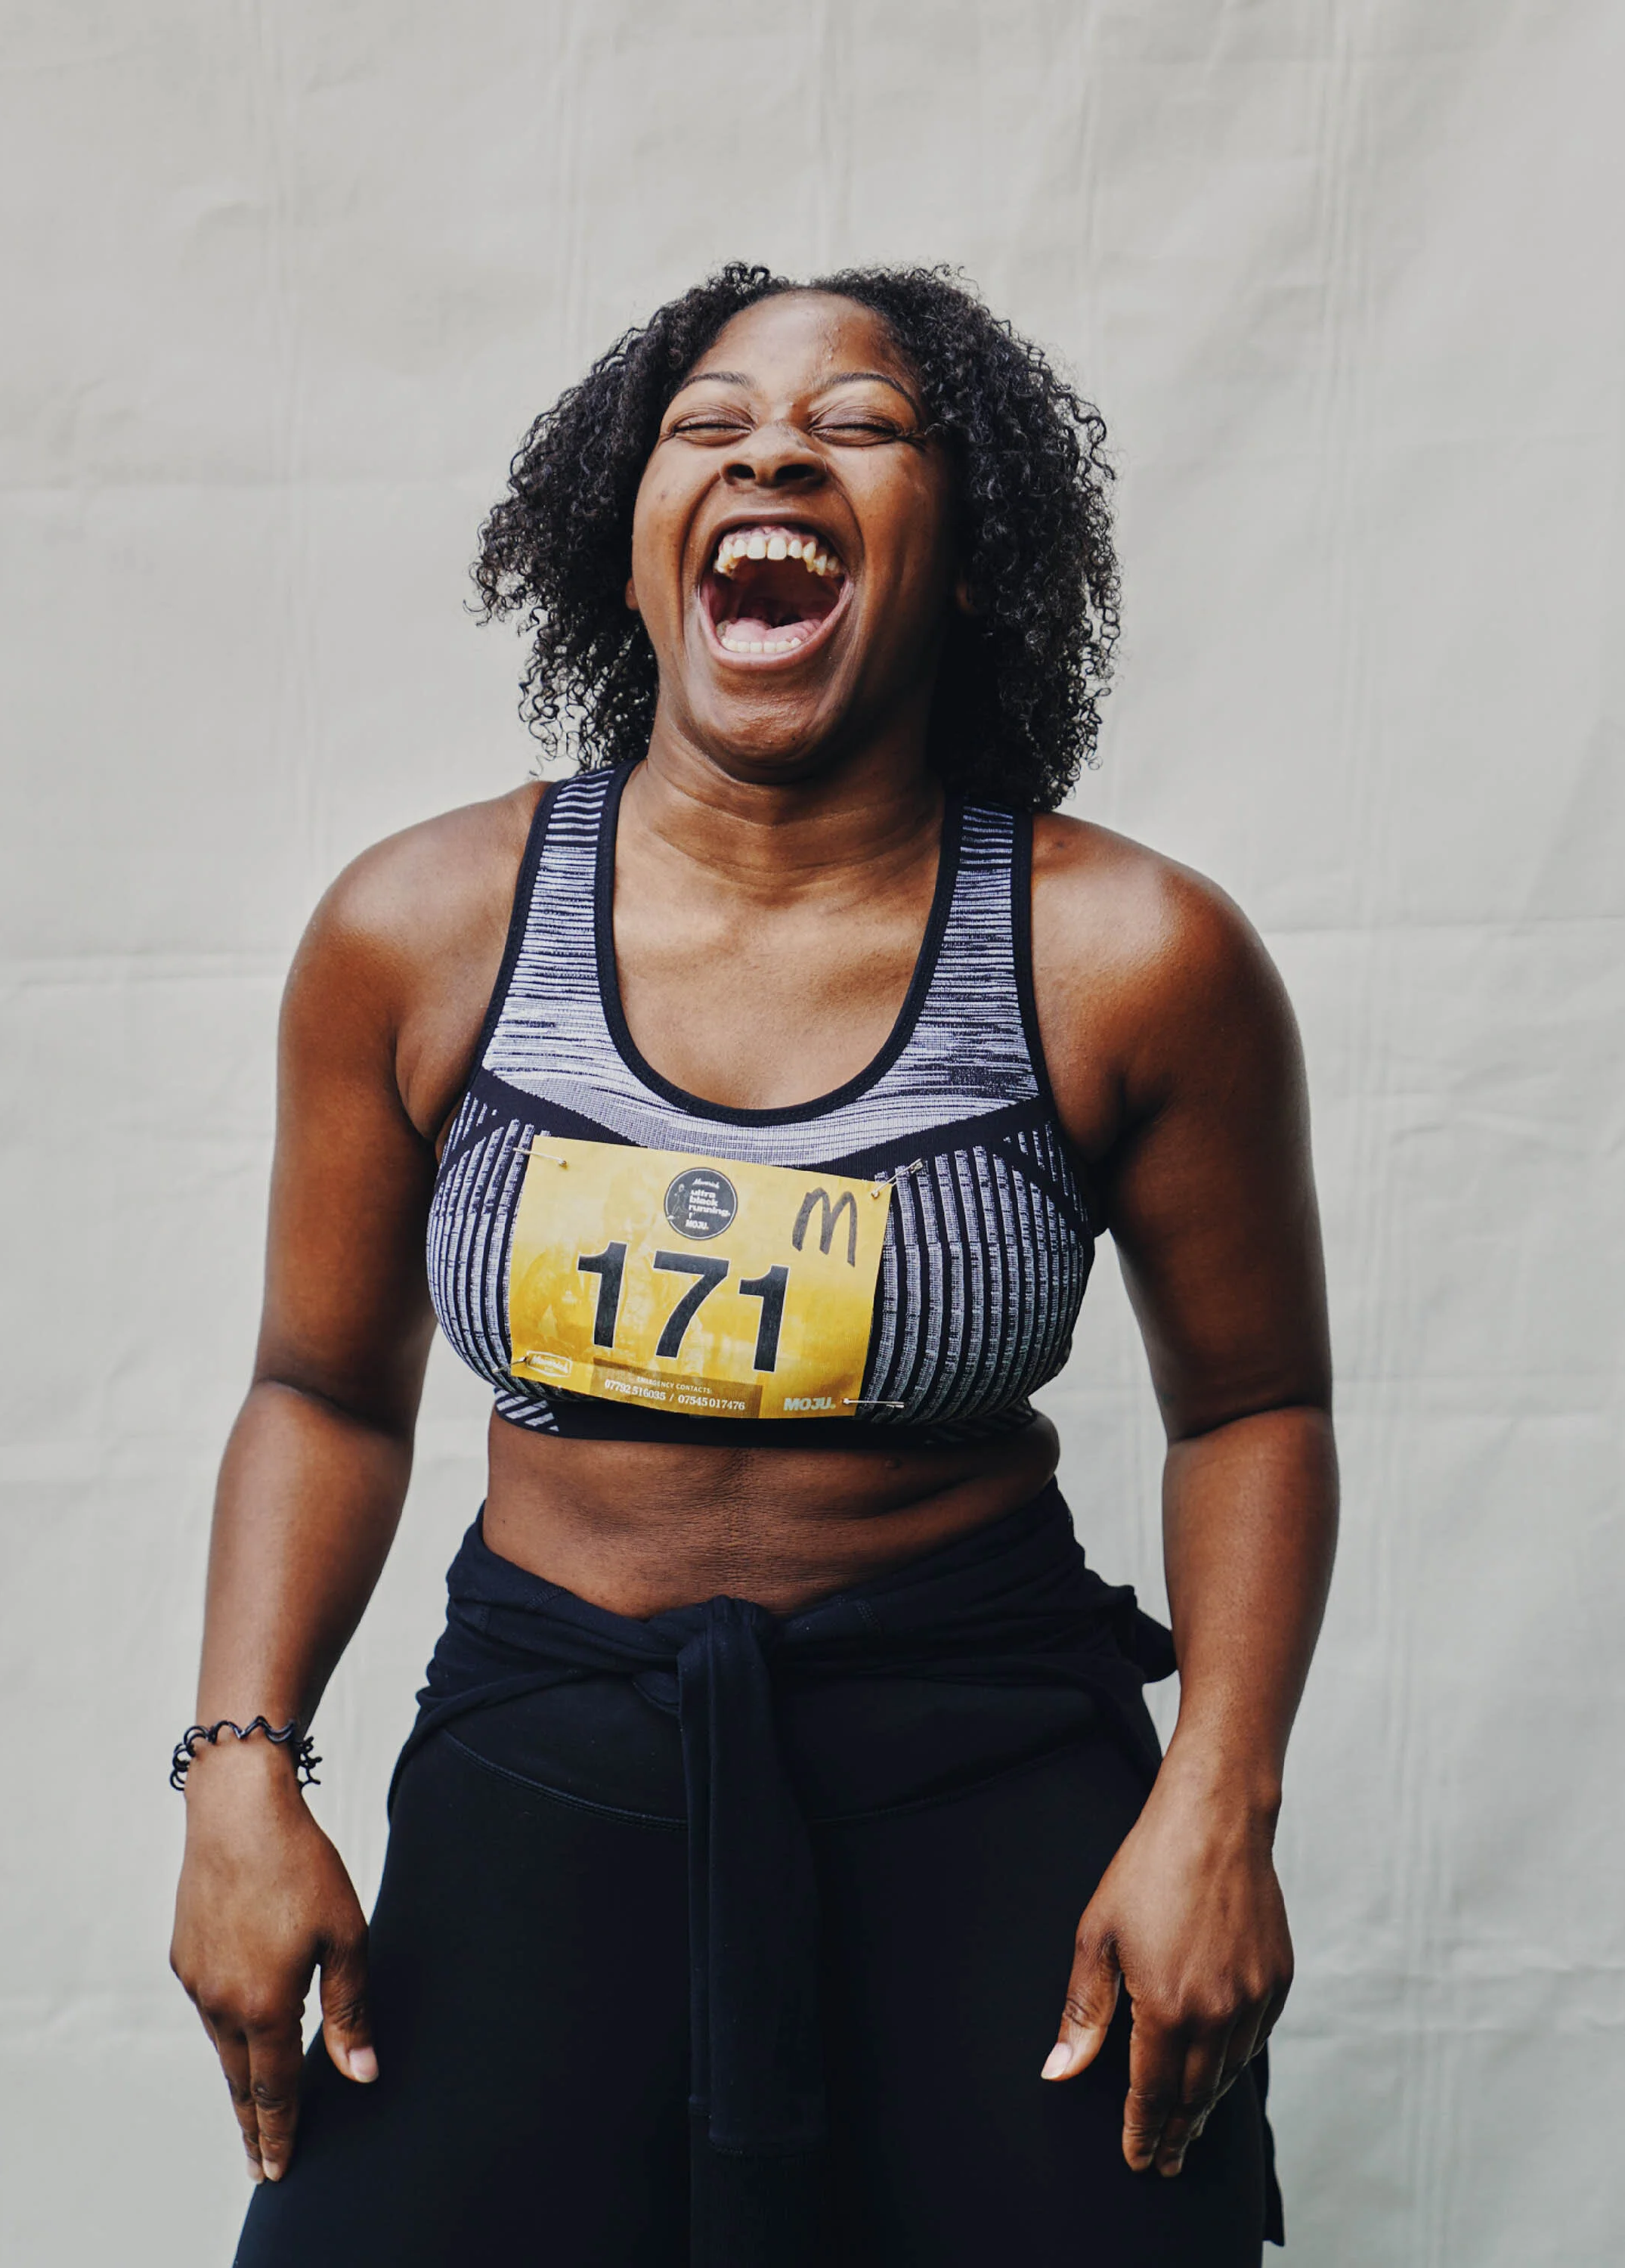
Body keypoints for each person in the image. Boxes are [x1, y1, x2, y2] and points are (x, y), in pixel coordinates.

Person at [169, 262, 1336, 2268]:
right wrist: (239, 1772)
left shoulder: (1133, 953)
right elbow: (323, 1391)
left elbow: (1255, 1409)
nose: (774, 444)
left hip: (993, 1795)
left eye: (859, 424)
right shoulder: (422, 930)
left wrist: (1221, 1807)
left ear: (967, 563)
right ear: (625, 556)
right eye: (708, 425)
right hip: (550, 1761)